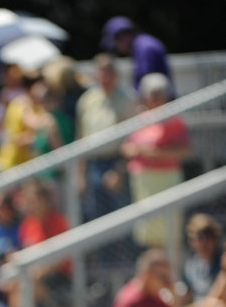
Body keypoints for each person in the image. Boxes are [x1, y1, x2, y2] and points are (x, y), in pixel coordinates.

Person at [121, 73, 190, 253]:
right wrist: (136, 150)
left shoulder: (174, 120)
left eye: (158, 95)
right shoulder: (140, 119)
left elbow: (185, 150)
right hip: (144, 181)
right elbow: (127, 146)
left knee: (170, 229)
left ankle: (173, 267)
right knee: (149, 230)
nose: (154, 99)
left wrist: (157, 153)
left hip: (166, 179)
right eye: (151, 95)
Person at [75, 53, 138, 222]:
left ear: (116, 74)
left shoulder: (127, 99)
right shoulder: (87, 100)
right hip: (93, 165)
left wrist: (119, 170)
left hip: (118, 163)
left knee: (122, 219)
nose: (105, 77)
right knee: (96, 218)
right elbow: (80, 137)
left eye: (108, 71)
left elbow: (134, 138)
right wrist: (81, 175)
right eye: (101, 72)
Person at [100, 17, 174, 94]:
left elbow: (146, 83)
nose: (117, 49)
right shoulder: (142, 44)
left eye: (116, 43)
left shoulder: (144, 48)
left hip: (160, 97)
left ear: (123, 36)